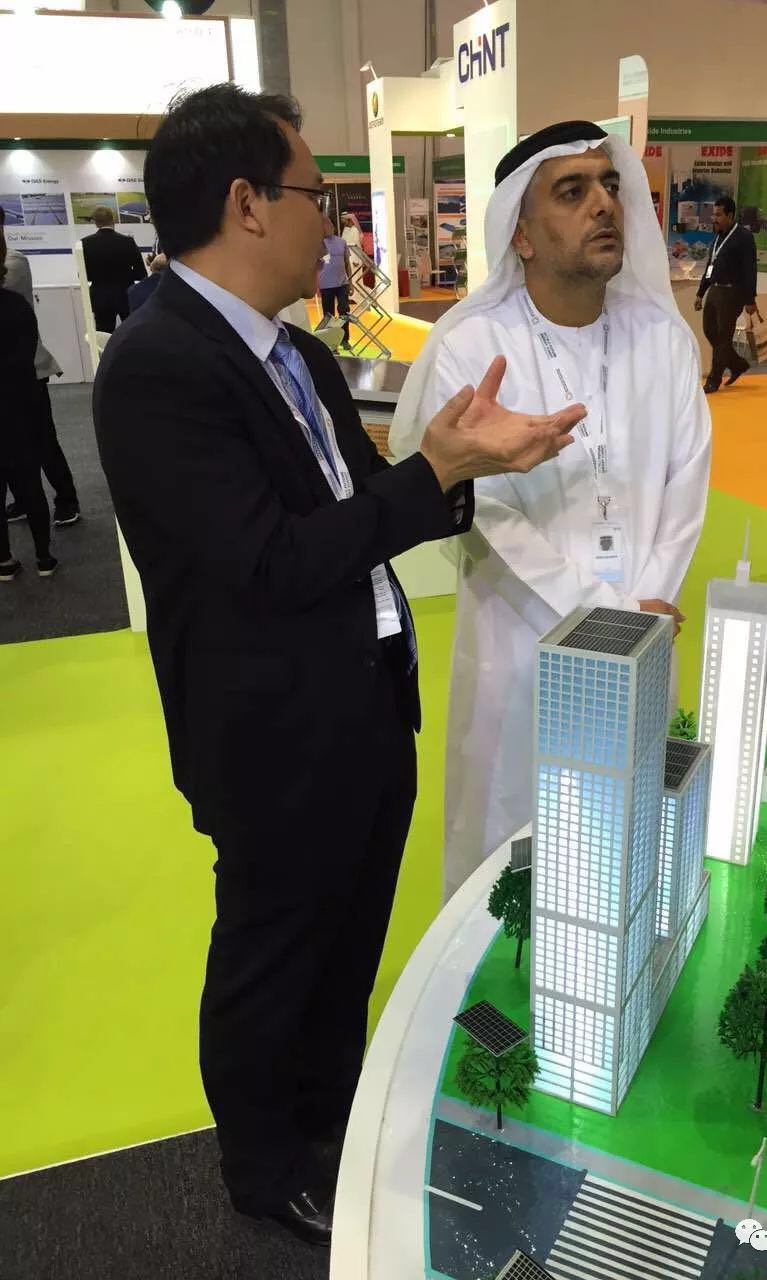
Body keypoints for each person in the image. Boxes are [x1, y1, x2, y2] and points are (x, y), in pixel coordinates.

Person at [93, 84, 583, 1246]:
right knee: (271, 951)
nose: (332, 218)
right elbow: (265, 562)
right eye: (317, 192)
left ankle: (330, 1112)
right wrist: (433, 474)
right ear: (246, 204)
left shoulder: (299, 354)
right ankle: (264, 1167)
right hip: (267, 732)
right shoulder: (158, 366)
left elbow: (360, 507)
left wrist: (452, 464)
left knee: (347, 934)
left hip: (363, 700)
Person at [390, 120, 711, 901]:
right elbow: (489, 514)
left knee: (627, 845)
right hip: (523, 643)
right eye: (572, 191)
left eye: (610, 186)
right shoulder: (473, 348)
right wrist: (613, 613)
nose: (604, 204)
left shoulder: (662, 340)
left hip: (647, 626)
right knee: (512, 858)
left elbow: (687, 480)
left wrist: (645, 602)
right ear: (522, 233)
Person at [0, 207, 80, 527]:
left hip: (28, 372)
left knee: (43, 440)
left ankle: (67, 499)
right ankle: (23, 500)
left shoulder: (15, 263)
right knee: (9, 444)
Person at [0, 226, 58, 581]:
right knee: (30, 482)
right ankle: (44, 557)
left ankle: (4, 560)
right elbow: (25, 362)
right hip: (17, 407)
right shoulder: (16, 307)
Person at [694, 196, 758, 393]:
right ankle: (737, 364)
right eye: (713, 214)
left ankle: (713, 380)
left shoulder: (744, 237)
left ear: (730, 215)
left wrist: (750, 299)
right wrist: (700, 292)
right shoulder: (718, 238)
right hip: (715, 289)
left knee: (723, 337)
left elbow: (750, 270)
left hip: (732, 293)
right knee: (709, 331)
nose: (714, 218)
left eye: (718, 215)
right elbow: (710, 267)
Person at [81, 205, 147, 332]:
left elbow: (83, 275)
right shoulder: (128, 242)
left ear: (96, 223)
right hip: (126, 296)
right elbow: (141, 273)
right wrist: (125, 275)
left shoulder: (85, 243)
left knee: (104, 337)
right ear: (113, 220)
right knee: (131, 334)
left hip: (100, 298)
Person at [317, 214, 351, 351]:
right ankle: (331, 344)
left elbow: (347, 263)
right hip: (325, 285)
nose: (327, 228)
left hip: (342, 283)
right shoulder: (318, 244)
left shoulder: (342, 242)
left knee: (344, 311)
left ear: (333, 227)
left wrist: (350, 282)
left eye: (329, 225)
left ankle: (345, 339)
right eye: (324, 225)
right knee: (328, 315)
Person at [339, 212, 362, 303]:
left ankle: (355, 298)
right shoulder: (345, 229)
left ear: (348, 220)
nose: (342, 221)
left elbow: (357, 246)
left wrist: (356, 259)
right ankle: (349, 296)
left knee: (355, 278)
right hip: (347, 256)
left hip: (354, 257)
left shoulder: (355, 230)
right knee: (348, 277)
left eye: (343, 219)